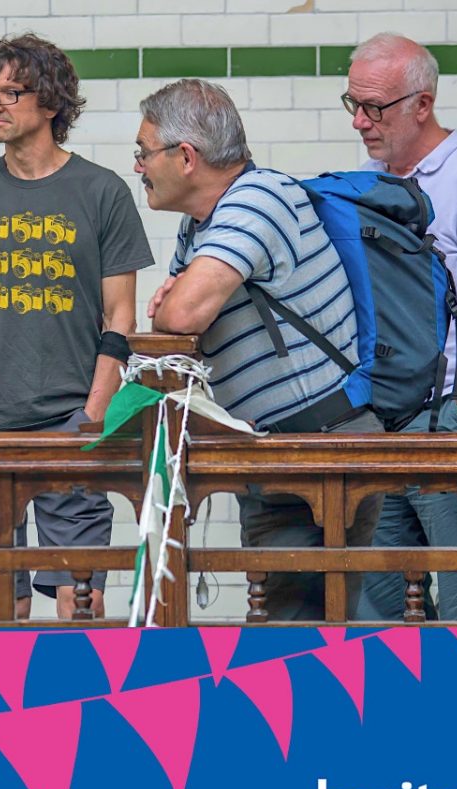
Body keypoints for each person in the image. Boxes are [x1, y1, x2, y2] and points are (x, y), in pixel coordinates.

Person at [0, 35, 153, 620]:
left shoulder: (102, 192)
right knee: (3, 605)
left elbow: (120, 318)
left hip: (71, 422)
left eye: (10, 92)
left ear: (52, 101)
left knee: (80, 599)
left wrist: (92, 416)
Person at [140, 78, 384, 621]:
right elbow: (176, 324)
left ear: (186, 157)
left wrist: (177, 301)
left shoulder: (260, 198)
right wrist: (177, 303)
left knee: (305, 630)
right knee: (288, 622)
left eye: (144, 152)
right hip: (279, 453)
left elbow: (179, 315)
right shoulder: (200, 225)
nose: (139, 167)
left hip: (321, 448)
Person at [338, 34, 457, 622]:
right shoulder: (368, 179)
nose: (360, 122)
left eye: (375, 108)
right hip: (386, 415)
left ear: (422, 104)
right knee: (376, 596)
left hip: (451, 413)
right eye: (354, 104)